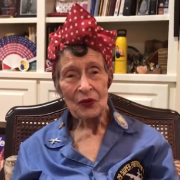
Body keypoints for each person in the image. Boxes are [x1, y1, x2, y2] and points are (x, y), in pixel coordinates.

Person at [11, 3, 178, 180]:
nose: (84, 86)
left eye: (94, 72)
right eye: (71, 75)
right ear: (58, 85)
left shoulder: (151, 143)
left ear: (108, 77)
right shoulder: (33, 151)